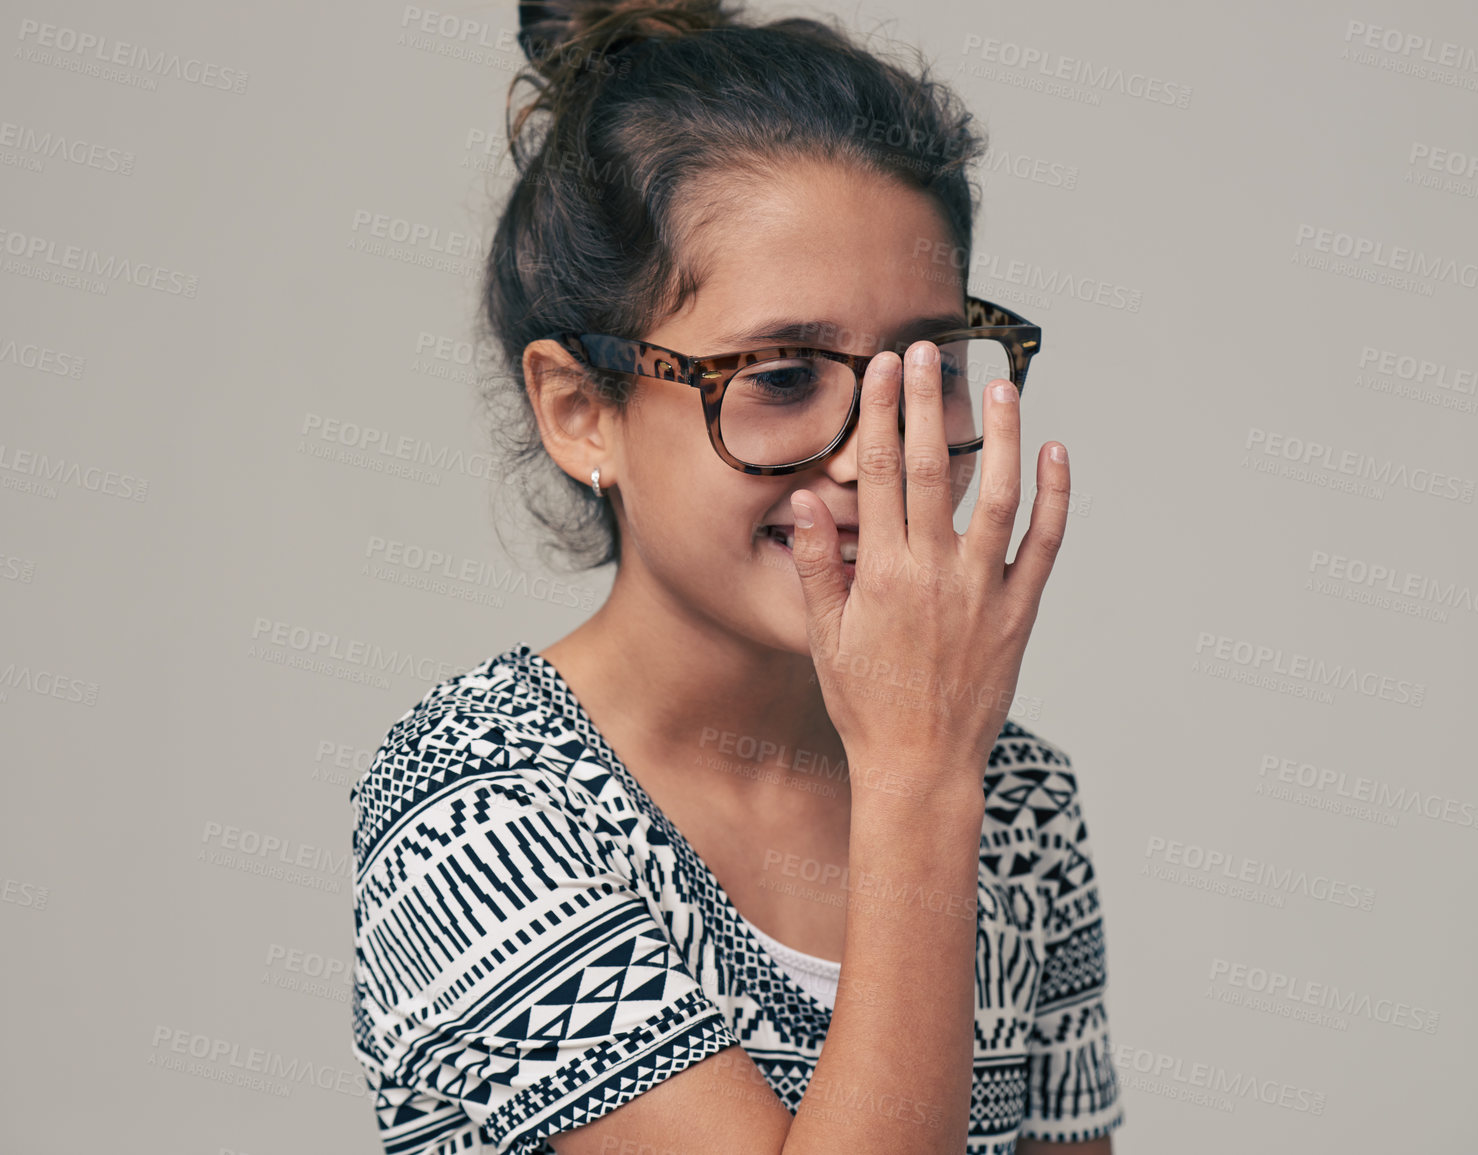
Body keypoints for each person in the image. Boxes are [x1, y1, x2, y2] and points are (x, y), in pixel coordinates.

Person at [349, 2, 1122, 1152]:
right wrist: (917, 781)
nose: (879, 451)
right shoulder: (480, 806)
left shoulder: (1010, 797)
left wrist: (940, 775)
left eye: (926, 368)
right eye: (778, 375)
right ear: (579, 411)